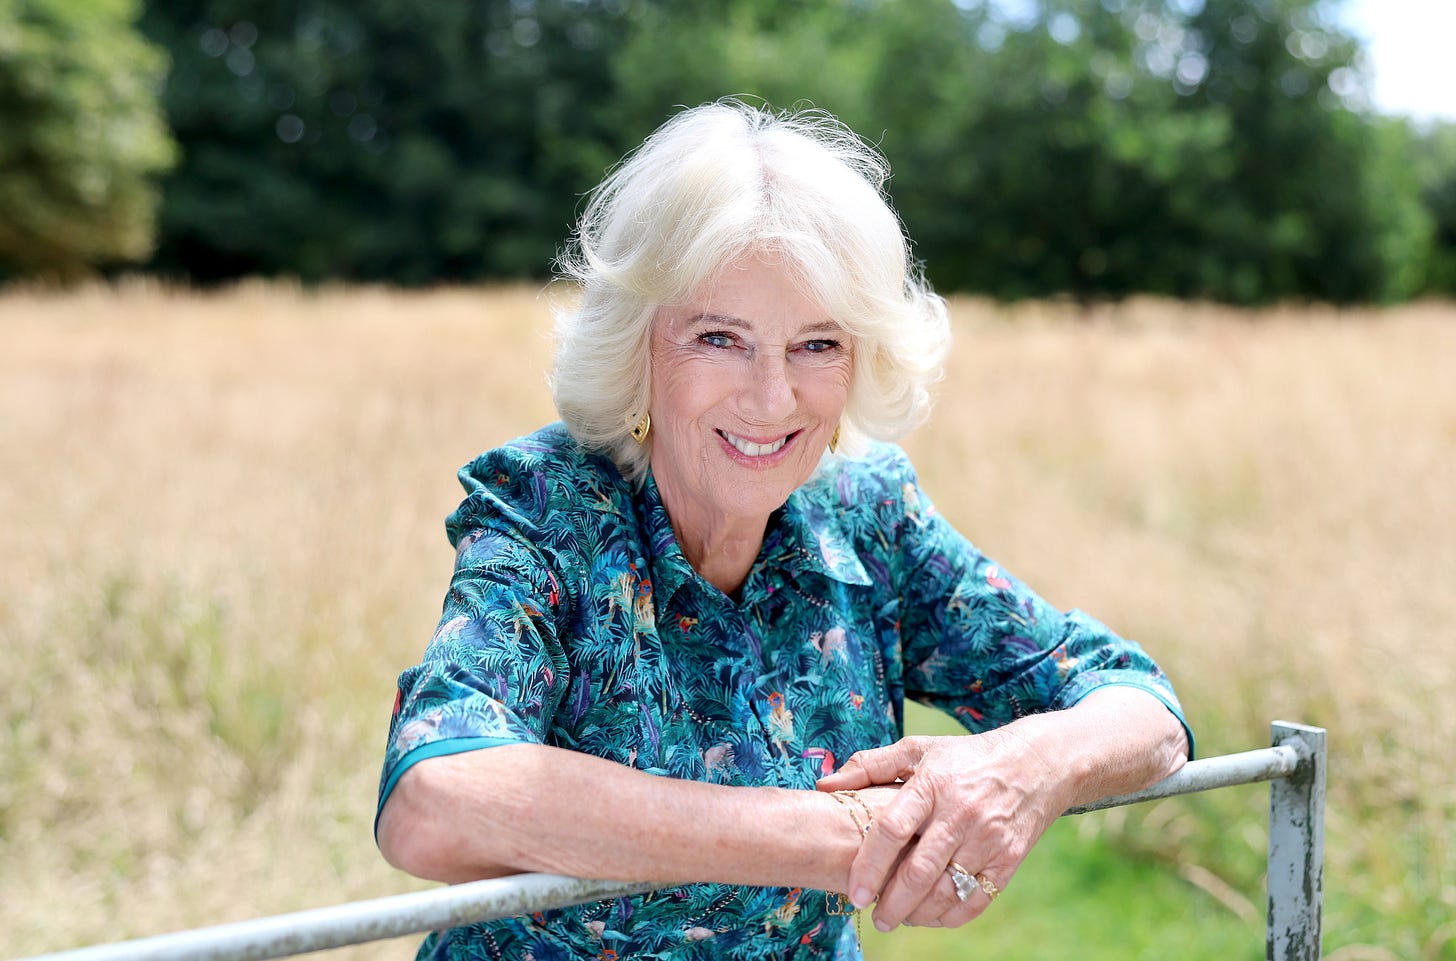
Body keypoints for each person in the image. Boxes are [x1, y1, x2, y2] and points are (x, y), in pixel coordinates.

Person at [374, 100, 1192, 961]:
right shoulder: (550, 506)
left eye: (817, 345)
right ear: (638, 347)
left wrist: (1019, 767)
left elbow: (1139, 703)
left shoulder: (868, 514)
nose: (772, 400)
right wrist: (837, 834)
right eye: (721, 338)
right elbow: (435, 797)